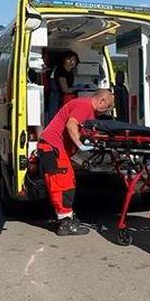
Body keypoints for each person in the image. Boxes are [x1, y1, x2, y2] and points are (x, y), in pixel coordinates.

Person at [37, 89, 115, 235]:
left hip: (55, 148)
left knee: (68, 182)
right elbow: (71, 125)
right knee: (62, 184)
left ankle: (66, 217)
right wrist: (81, 146)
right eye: (108, 107)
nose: (108, 110)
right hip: (52, 147)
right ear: (101, 101)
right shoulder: (84, 105)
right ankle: (65, 223)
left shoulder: (87, 109)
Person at [47, 50, 79, 123]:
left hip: (61, 97)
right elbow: (65, 89)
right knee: (55, 117)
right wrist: (78, 88)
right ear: (64, 60)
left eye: (73, 59)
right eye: (69, 59)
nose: (71, 62)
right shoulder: (61, 71)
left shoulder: (70, 71)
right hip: (57, 97)